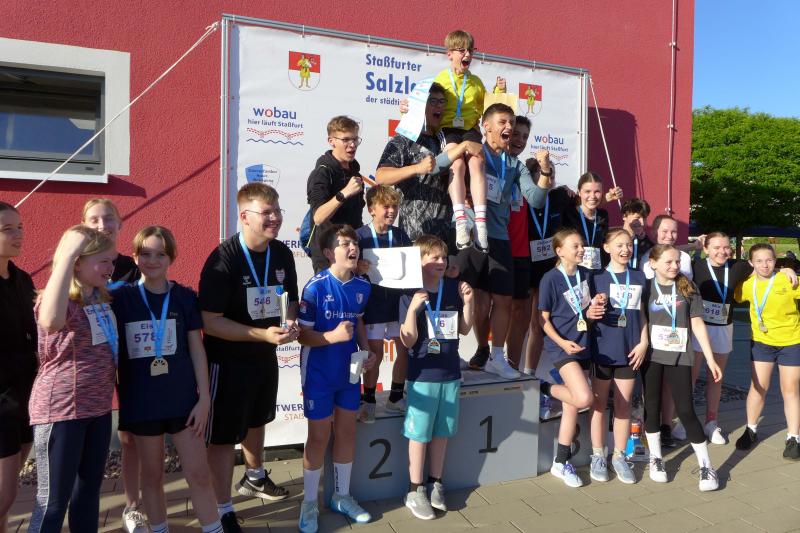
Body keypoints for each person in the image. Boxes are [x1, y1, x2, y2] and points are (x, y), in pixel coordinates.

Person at [199, 183, 299, 532]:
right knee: (223, 436)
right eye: (266, 212)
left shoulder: (282, 253)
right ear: (244, 216)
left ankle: (254, 477)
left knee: (257, 421)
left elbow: (291, 302)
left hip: (263, 357)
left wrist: (290, 322)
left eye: (277, 211)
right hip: (227, 362)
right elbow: (210, 322)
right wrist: (261, 335)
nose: (275, 218)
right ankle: (222, 508)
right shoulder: (223, 259)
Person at [112, 226, 222, 533]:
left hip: (183, 402)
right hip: (142, 404)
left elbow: (197, 350)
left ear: (171, 257)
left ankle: (214, 528)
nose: (152, 261)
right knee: (152, 477)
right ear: (135, 256)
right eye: (145, 254)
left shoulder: (184, 297)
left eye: (160, 254)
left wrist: (204, 398)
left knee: (199, 474)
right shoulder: (121, 298)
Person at [28, 226, 118, 532]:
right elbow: (50, 321)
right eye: (103, 261)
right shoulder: (59, 300)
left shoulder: (99, 298)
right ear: (77, 263)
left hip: (98, 409)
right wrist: (66, 254)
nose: (110, 268)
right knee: (53, 502)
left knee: (87, 494)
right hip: (62, 411)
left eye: (111, 261)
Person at [457, 104, 549, 380]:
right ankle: (451, 352)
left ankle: (497, 358)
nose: (509, 128)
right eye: (504, 123)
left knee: (504, 300)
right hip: (470, 235)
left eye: (512, 123)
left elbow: (536, 199)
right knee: (462, 297)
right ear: (486, 126)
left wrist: (545, 171)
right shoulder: (474, 151)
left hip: (499, 238)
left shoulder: (515, 165)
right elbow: (448, 174)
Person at [296, 225, 377, 533]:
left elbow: (358, 322)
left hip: (348, 373)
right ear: (330, 253)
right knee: (318, 438)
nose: (352, 247)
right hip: (319, 373)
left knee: (347, 432)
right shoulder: (315, 287)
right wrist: (331, 337)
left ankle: (341, 496)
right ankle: (309, 503)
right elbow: (302, 335)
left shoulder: (363, 286)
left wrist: (367, 350)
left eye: (354, 242)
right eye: (344, 244)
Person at [81, 198, 146, 532]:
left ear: (120, 224)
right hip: (88, 367)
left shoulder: (133, 267)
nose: (102, 225)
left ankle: (133, 507)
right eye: (94, 219)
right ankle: (80, 510)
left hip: (128, 361)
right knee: (83, 441)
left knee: (130, 436)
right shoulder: (75, 267)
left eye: (108, 219)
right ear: (83, 225)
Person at [399, 235, 474, 519]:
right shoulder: (409, 294)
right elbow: (407, 340)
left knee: (442, 433)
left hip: (450, 374)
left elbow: (465, 329)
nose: (441, 262)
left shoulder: (454, 288)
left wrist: (469, 302)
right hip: (422, 377)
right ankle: (414, 489)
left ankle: (436, 483)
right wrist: (412, 310)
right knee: (419, 435)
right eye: (434, 257)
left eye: (444, 257)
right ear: (419, 261)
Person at [641, 244, 721, 491]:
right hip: (652, 357)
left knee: (686, 410)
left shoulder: (688, 287)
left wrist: (710, 358)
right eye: (668, 262)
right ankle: (656, 459)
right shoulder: (645, 288)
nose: (675, 266)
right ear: (653, 263)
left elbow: (697, 325)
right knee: (651, 407)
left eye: (677, 261)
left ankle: (706, 466)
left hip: (680, 356)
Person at [376, 82, 482, 247]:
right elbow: (381, 176)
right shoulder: (404, 140)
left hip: (448, 238)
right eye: (433, 101)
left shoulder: (447, 141)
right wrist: (417, 168)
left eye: (442, 102)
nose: (439, 106)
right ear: (420, 106)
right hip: (414, 236)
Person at [539, 228, 605, 487]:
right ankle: (545, 388)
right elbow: (543, 320)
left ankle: (560, 462)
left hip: (584, 344)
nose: (581, 250)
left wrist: (596, 306)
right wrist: (562, 343)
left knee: (572, 406)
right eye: (575, 246)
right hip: (562, 348)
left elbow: (585, 310)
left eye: (582, 245)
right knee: (584, 398)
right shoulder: (550, 279)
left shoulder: (586, 274)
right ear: (560, 251)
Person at [588, 229, 647, 484]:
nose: (625, 250)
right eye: (619, 245)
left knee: (623, 405)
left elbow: (642, 312)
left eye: (629, 245)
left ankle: (619, 456)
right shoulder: (595, 277)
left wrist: (644, 341)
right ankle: (598, 455)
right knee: (599, 404)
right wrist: (592, 310)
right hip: (602, 350)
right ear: (606, 248)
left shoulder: (639, 276)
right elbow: (587, 313)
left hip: (630, 351)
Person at [734, 244, 800, 460]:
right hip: (762, 343)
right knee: (758, 387)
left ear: (776, 261)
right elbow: (734, 294)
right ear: (751, 263)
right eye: (759, 261)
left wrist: (787, 270)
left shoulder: (787, 279)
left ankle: (793, 438)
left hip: (791, 342)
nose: (765, 265)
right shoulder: (747, 285)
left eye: (769, 260)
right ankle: (751, 429)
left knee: (790, 390)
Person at [355, 185, 413, 422]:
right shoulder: (360, 236)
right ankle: (368, 399)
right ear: (371, 209)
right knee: (374, 354)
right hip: (373, 304)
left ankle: (396, 396)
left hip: (398, 302)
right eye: (386, 206)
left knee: (404, 350)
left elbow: (410, 267)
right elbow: (347, 268)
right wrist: (357, 268)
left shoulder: (400, 235)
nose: (392, 211)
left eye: (395, 206)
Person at [433, 29, 493, 251]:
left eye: (470, 50)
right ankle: (460, 221)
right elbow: (427, 106)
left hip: (469, 129)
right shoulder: (440, 80)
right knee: (457, 163)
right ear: (449, 54)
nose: (467, 54)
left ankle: (480, 223)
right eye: (461, 50)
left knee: (476, 163)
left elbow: (489, 109)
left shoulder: (476, 82)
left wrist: (499, 93)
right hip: (448, 129)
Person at [640, 214, 696, 445]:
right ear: (654, 233)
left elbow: (686, 291)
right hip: (654, 332)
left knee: (671, 384)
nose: (669, 235)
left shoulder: (684, 258)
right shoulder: (647, 257)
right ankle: (649, 431)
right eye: (664, 231)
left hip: (677, 331)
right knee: (652, 387)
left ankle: (667, 424)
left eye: (673, 231)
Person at [0, 202, 37, 533]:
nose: (18, 234)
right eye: (7, 229)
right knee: (4, 495)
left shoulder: (23, 280)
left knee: (4, 500)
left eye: (20, 227)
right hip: (1, 404)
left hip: (26, 400)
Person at [306, 116, 366, 273]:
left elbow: (356, 218)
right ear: (331, 141)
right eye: (346, 140)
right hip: (328, 256)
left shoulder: (355, 174)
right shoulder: (322, 173)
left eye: (355, 139)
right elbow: (318, 217)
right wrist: (343, 194)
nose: (352, 145)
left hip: (352, 253)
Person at [558, 172, 621, 272]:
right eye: (587, 191)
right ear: (579, 192)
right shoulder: (569, 214)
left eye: (597, 192)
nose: (592, 196)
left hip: (599, 273)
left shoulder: (603, 215)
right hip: (574, 273)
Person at [620, 198, 653, 271]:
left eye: (644, 218)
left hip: (636, 277)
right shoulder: (612, 239)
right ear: (624, 217)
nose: (642, 223)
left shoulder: (645, 242)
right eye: (637, 218)